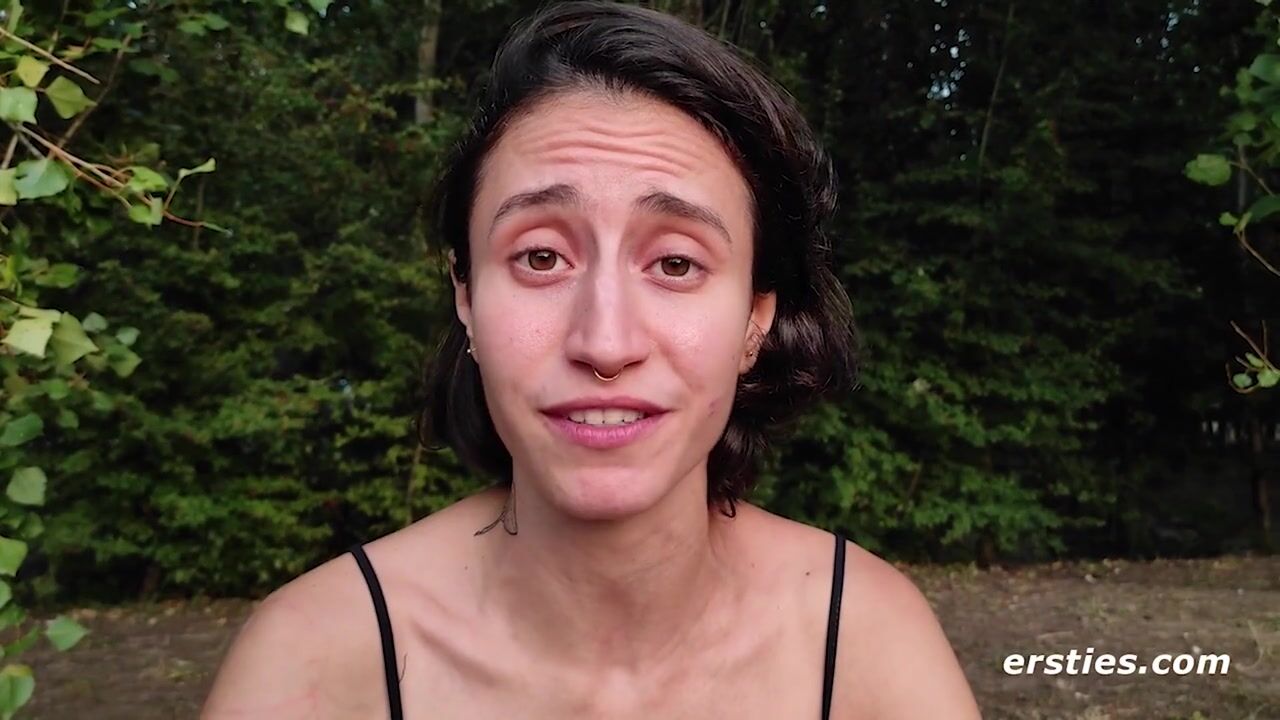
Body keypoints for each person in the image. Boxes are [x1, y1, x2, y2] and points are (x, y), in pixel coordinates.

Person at [202, 2, 981, 718]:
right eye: (541, 257)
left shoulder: (870, 646)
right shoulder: (311, 665)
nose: (605, 344)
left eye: (675, 263)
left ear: (756, 319)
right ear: (466, 297)